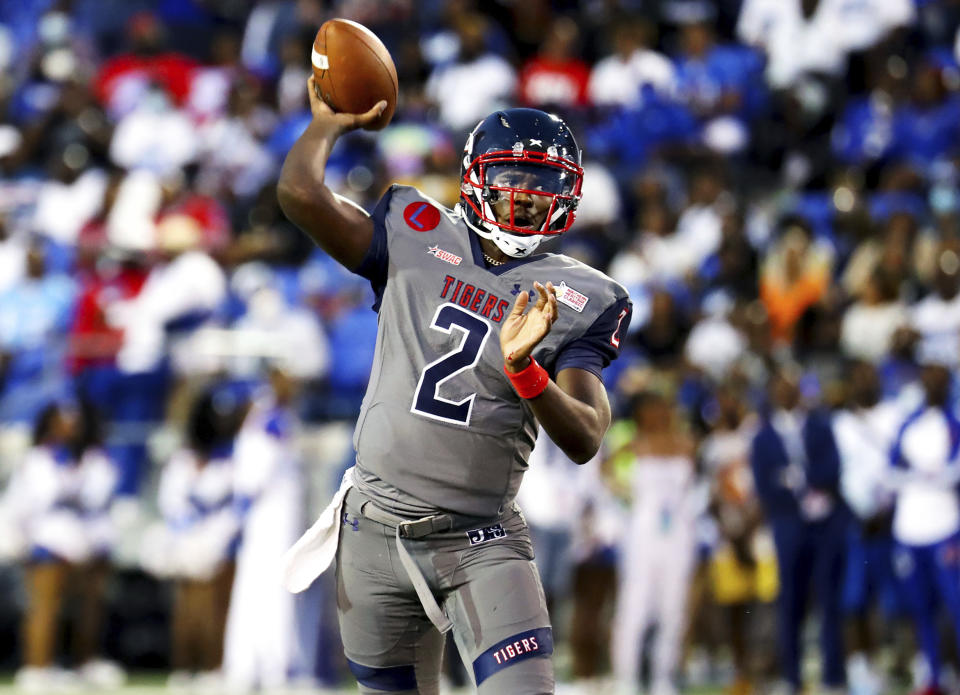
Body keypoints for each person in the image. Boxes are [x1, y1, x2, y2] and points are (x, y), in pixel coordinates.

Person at [277, 77, 632, 694]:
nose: (524, 199)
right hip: (374, 525)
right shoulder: (412, 226)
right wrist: (328, 122)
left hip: (481, 537)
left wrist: (527, 371)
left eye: (542, 186)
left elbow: (585, 435)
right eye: (511, 180)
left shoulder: (584, 296)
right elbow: (300, 194)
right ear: (473, 178)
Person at [750, 365, 848, 695]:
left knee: (828, 600)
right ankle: (791, 677)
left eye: (792, 386)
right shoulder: (763, 436)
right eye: (781, 386)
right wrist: (796, 488)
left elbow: (832, 467)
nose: (786, 392)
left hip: (824, 525)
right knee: (790, 601)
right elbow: (765, 485)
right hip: (788, 524)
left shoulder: (819, 426)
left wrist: (800, 480)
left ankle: (832, 677)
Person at [607, 391, 698, 695]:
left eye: (664, 408)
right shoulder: (633, 444)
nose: (661, 414)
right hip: (643, 532)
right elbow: (603, 472)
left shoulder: (686, 444)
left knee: (673, 606)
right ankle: (627, 677)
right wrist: (623, 500)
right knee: (635, 604)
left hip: (678, 533)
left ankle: (663, 677)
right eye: (654, 409)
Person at [888, 346, 960, 695]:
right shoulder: (908, 425)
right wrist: (923, 475)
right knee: (921, 608)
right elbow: (889, 474)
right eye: (928, 375)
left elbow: (952, 473)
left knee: (955, 603)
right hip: (910, 527)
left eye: (939, 376)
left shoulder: (954, 423)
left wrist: (922, 475)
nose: (933, 382)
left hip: (945, 524)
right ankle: (932, 674)